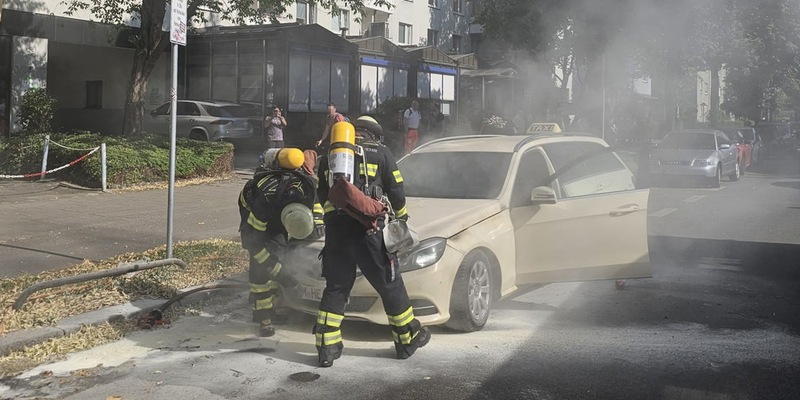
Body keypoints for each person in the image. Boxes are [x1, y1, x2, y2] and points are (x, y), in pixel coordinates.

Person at [313, 116, 431, 368]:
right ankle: (407, 340)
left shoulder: (331, 156)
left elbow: (322, 193)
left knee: (336, 287)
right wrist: (401, 217)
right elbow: (396, 188)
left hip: (336, 230)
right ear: (373, 134)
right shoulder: (381, 152)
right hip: (368, 230)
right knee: (390, 284)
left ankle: (326, 348)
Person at [238, 147, 323, 337]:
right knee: (261, 273)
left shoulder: (306, 187)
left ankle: (272, 309)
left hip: (278, 224)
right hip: (256, 224)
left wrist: (318, 223)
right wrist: (276, 269)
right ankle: (263, 320)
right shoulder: (264, 199)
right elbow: (253, 242)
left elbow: (316, 205)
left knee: (279, 258)